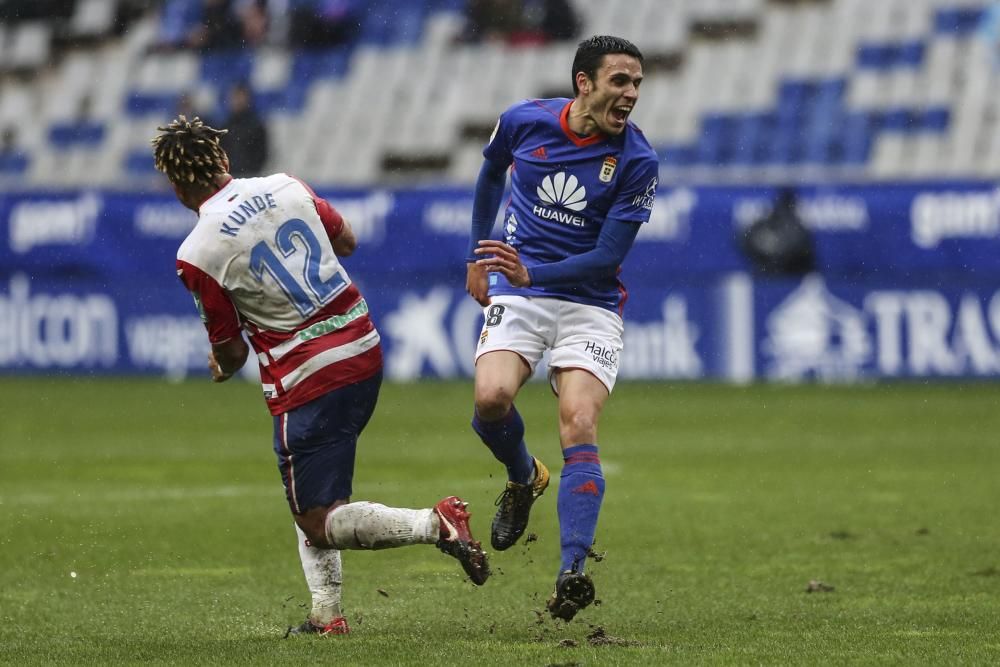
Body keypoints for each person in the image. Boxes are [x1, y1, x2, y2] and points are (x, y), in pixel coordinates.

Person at [152, 115, 489, 637]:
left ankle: (436, 524)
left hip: (308, 378)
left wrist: (219, 364)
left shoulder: (196, 252)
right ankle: (326, 617)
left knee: (316, 518)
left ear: (176, 188)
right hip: (364, 351)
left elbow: (232, 353)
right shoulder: (285, 185)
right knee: (309, 496)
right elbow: (347, 241)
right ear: (223, 159)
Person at [465, 35, 658, 621]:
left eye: (637, 84)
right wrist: (479, 255)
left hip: (589, 302)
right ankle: (524, 478)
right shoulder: (523, 121)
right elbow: (490, 173)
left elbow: (606, 258)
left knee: (579, 420)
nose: (630, 94)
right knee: (491, 399)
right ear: (584, 83)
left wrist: (532, 271)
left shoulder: (637, 162)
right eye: (619, 81)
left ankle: (572, 569)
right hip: (521, 290)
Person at [739, 186, 816, 277]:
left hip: (793, 273)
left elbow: (801, 248)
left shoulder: (797, 227)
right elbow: (744, 239)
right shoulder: (766, 222)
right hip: (768, 272)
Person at [219, 81, 269, 177]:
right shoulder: (226, 125)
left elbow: (262, 153)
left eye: (240, 97)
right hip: (231, 176)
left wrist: (251, 170)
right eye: (234, 97)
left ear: (247, 98)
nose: (237, 101)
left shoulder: (256, 125)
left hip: (250, 176)